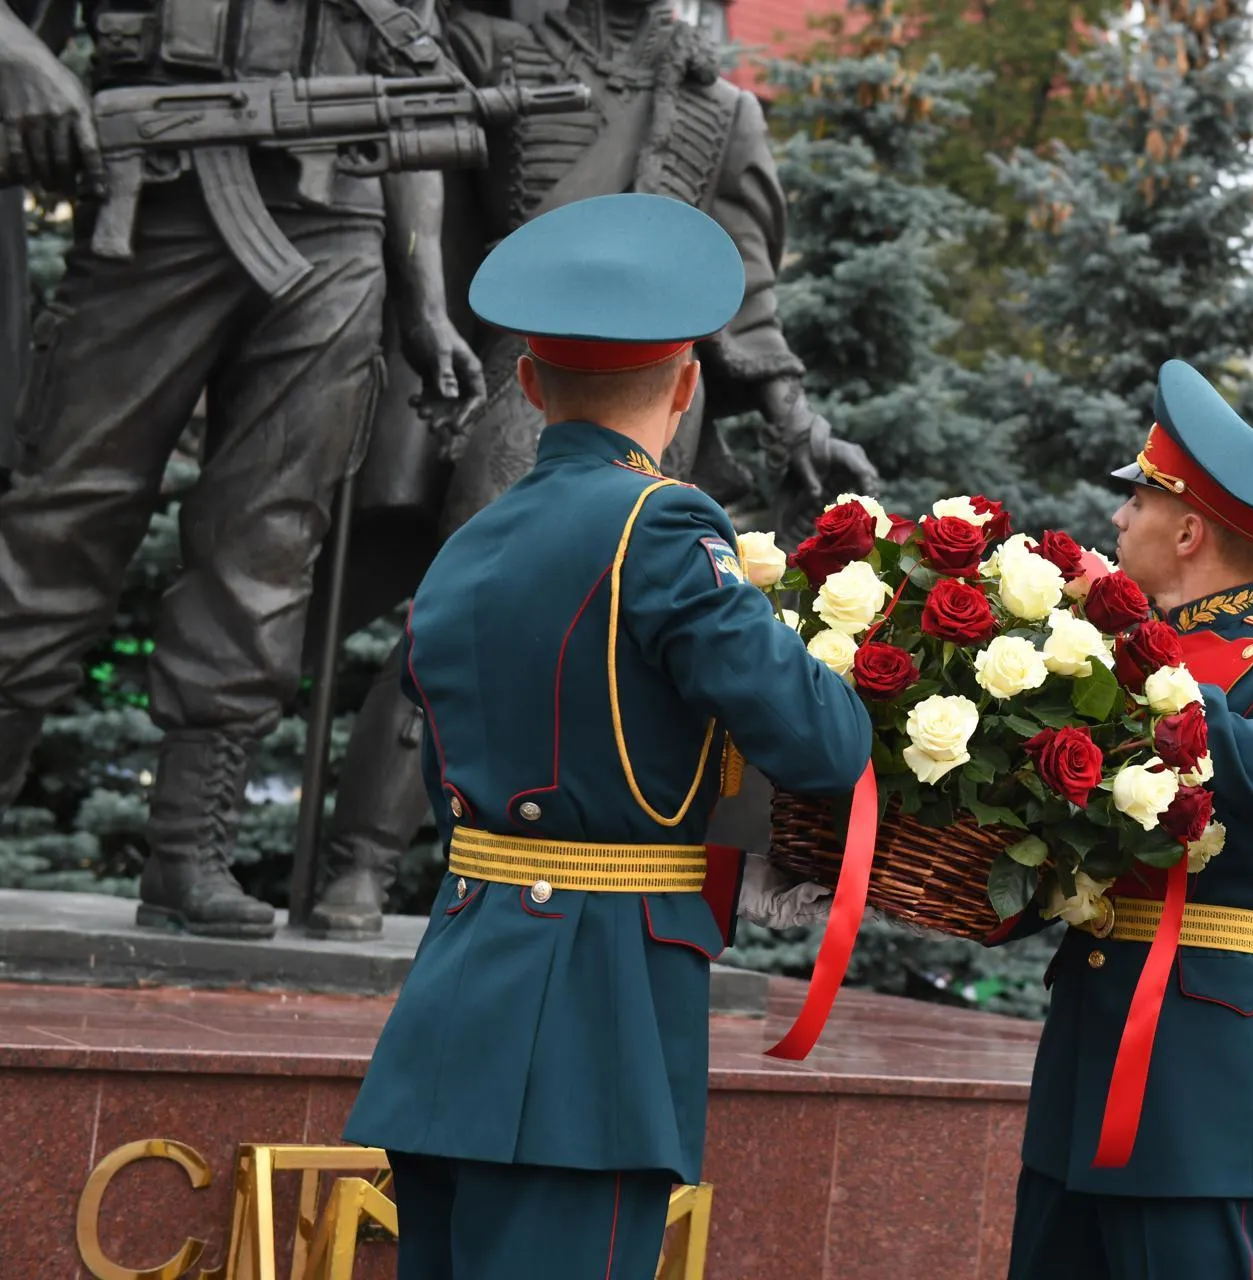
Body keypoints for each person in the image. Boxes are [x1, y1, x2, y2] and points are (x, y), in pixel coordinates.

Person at [342, 193, 873, 1277]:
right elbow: (823, 739)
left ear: (528, 385)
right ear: (686, 389)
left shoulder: (467, 546)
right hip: (593, 1018)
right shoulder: (664, 523)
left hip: (455, 997)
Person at [304, 0, 880, 940]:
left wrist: (793, 416)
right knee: (460, 614)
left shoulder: (721, 108)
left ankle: (603, 872)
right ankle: (361, 860)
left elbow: (745, 283)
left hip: (662, 407)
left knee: (631, 646)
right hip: (521, 381)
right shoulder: (488, 49)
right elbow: (423, 185)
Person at [0, 0, 484, 937]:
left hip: (335, 227)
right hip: (154, 207)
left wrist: (423, 301)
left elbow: (412, 100)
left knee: (269, 540)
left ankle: (190, 851)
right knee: (62, 523)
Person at [999, 359, 1253, 1279]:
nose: (1118, 519)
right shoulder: (1089, 648)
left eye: (1137, 502)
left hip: (1206, 1090)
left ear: (1186, 528)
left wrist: (1182, 696)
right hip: (1081, 1079)